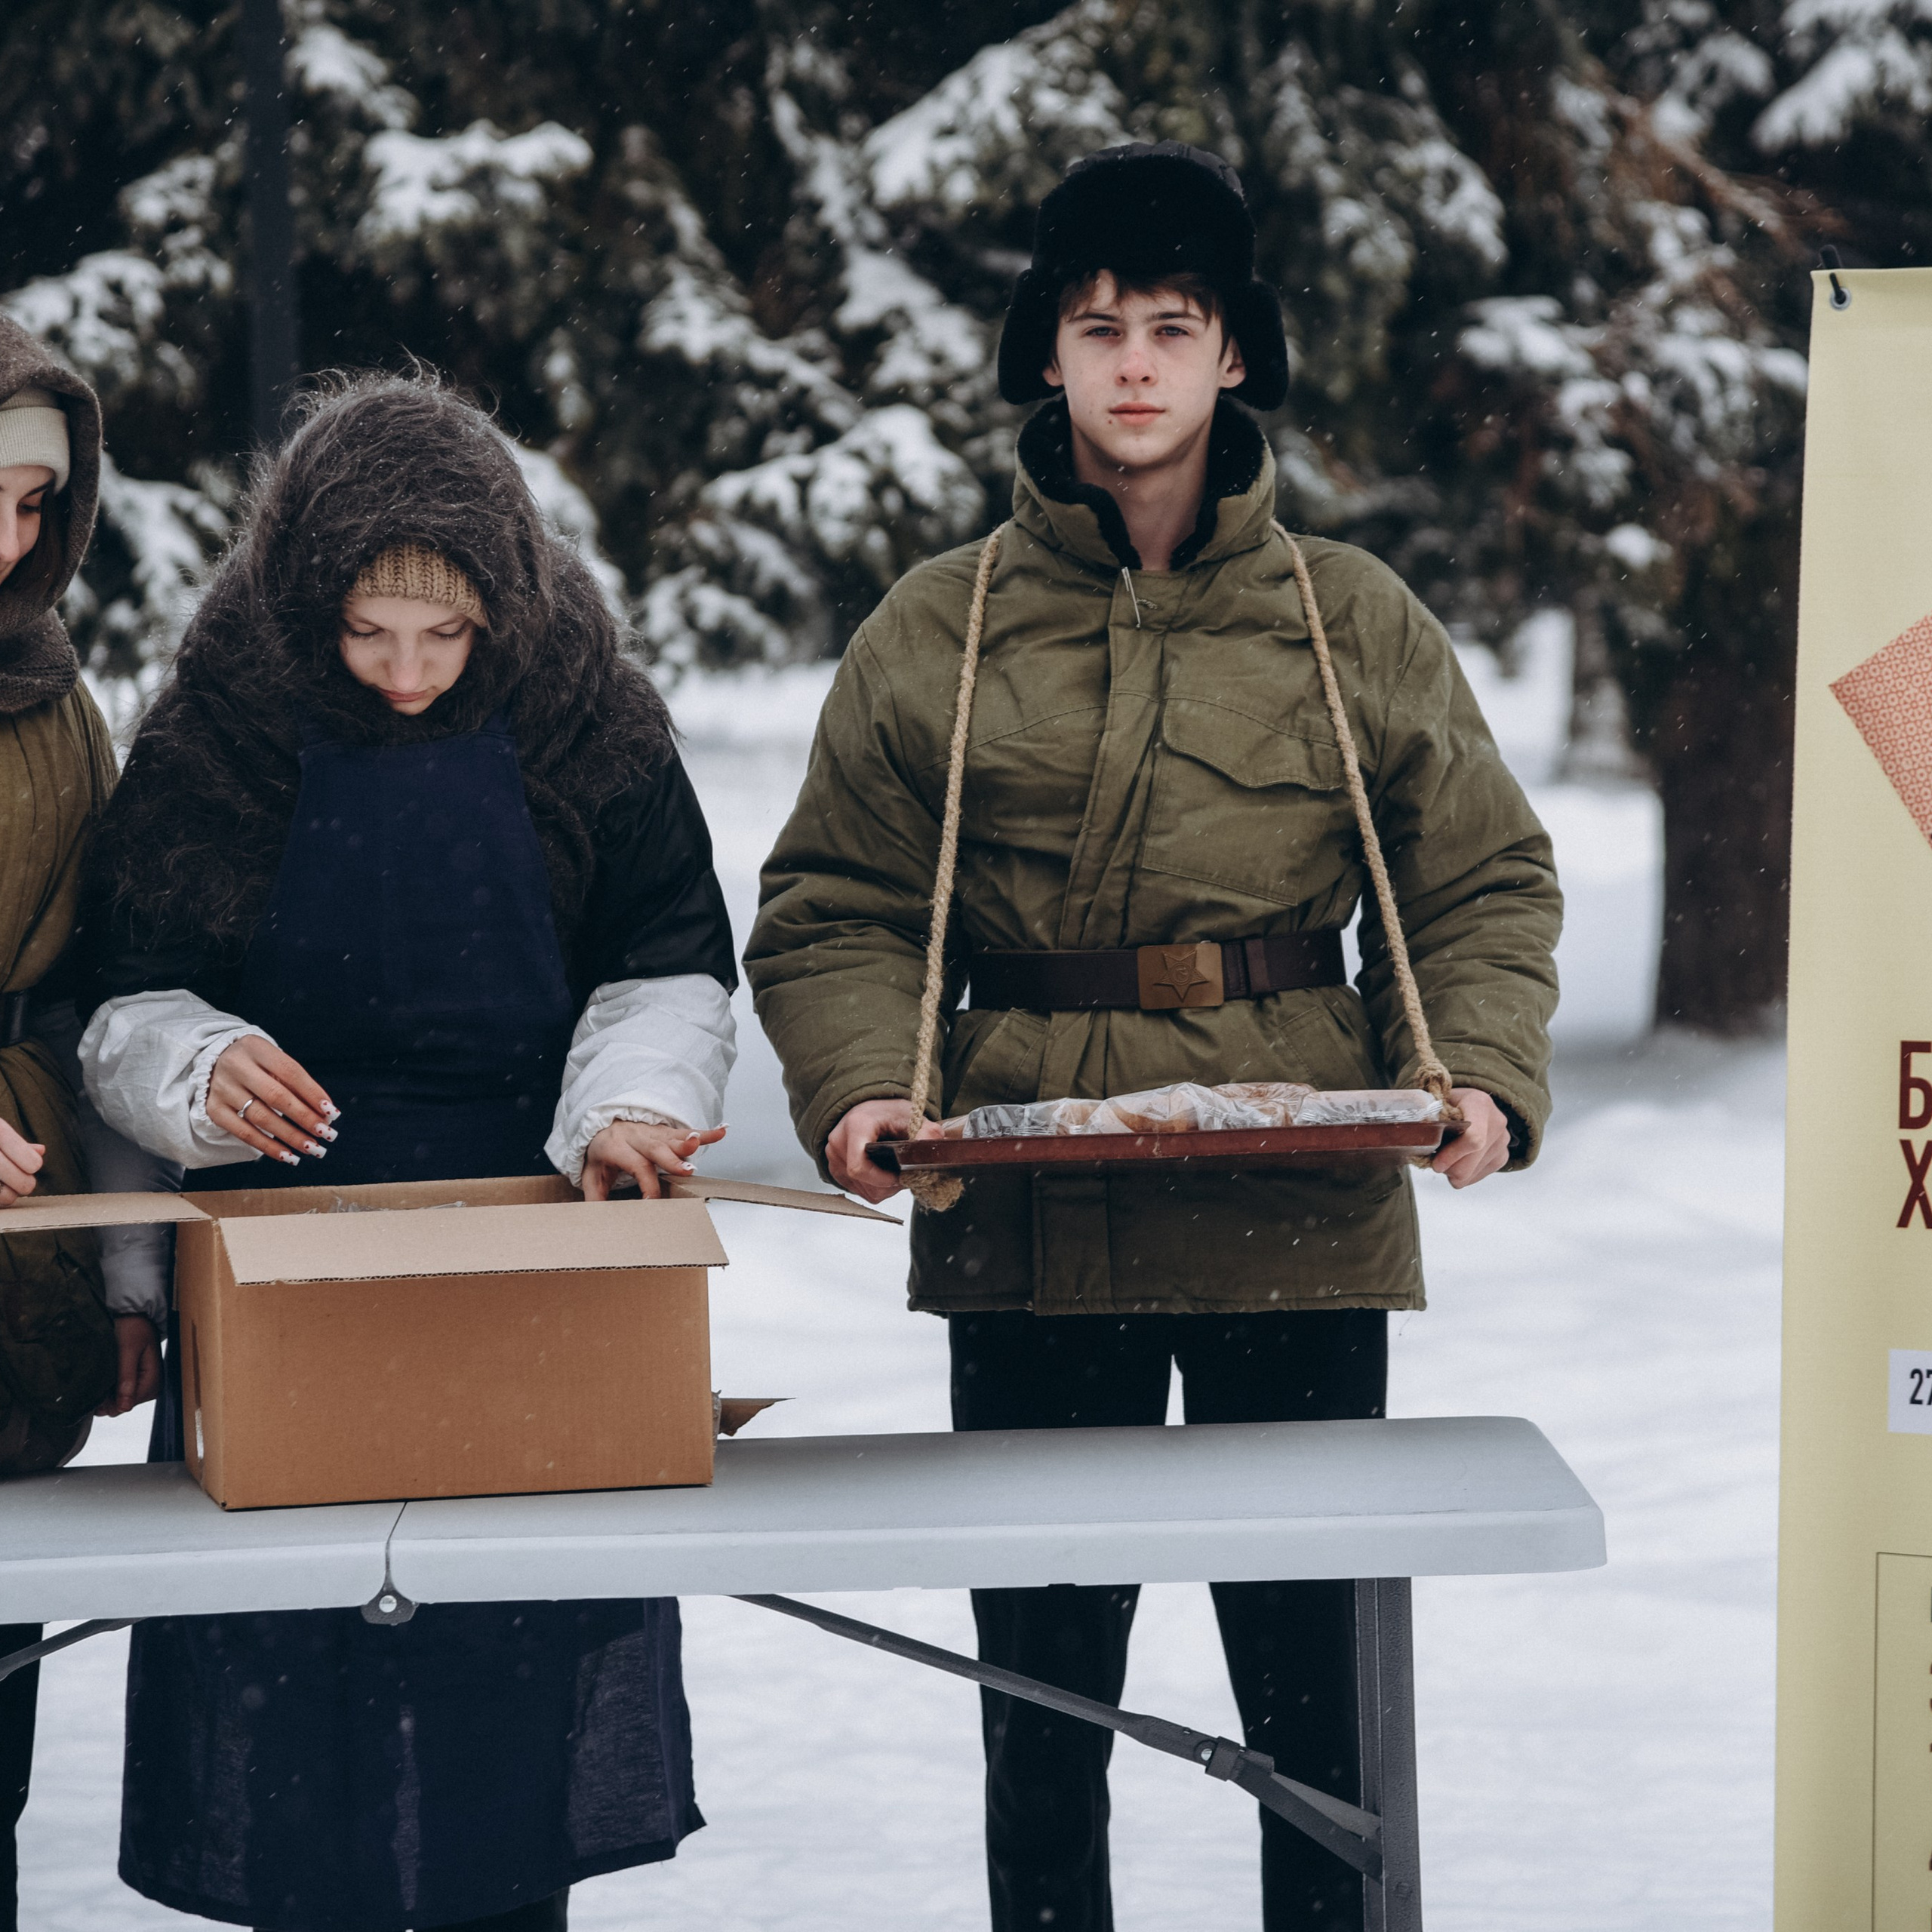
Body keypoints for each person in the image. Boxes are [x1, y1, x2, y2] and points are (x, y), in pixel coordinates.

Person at [746, 143, 1561, 1932]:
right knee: (1045, 1717)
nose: (1130, 363)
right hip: (1029, 1215)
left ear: (1231, 358)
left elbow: (1479, 873)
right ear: (1044, 351)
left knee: (1315, 1715)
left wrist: (1480, 1069)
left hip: (1297, 1204)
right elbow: (840, 900)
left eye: (1169, 327)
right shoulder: (937, 631)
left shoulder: (1347, 623)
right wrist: (866, 1084)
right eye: (1093, 323)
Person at [75, 372, 737, 1931]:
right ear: (307, 604)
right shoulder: (215, 731)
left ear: (503, 609)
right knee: (299, 1704)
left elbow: (664, 960)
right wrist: (204, 1063)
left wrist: (629, 1106)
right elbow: (111, 1005)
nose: (407, 676)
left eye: (446, 639)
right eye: (368, 636)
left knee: (505, 1700)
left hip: (524, 1262)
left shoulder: (590, 715)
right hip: (279, 1282)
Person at [0, 314, 171, 1932]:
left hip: (19, 1253)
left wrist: (126, 1273)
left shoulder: (61, 708)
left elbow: (105, 1005)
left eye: (35, 502)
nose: (6, 534)